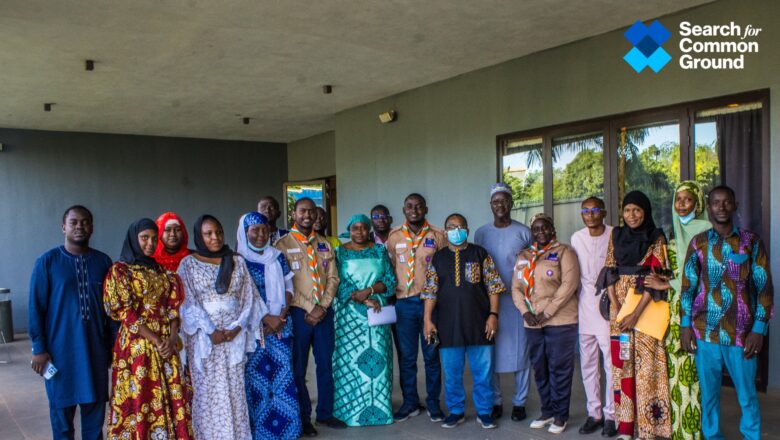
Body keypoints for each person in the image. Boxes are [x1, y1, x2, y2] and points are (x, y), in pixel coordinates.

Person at [678, 185, 773, 440]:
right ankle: (712, 436)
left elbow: (765, 287)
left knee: (747, 396)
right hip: (705, 333)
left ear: (735, 205)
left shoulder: (751, 242)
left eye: (726, 202)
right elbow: (688, 286)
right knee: (708, 395)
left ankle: (751, 436)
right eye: (716, 203)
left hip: (742, 335)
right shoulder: (698, 243)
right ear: (709, 208)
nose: (721, 207)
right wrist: (685, 325)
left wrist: (759, 330)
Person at [28, 205, 114, 440]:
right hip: (59, 353)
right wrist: (39, 348)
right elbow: (36, 307)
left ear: (92, 228)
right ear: (63, 227)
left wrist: (114, 348)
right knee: (62, 421)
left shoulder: (103, 262)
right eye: (74, 222)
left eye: (85, 222)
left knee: (94, 423)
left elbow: (112, 312)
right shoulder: (47, 262)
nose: (79, 226)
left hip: (95, 353)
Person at [103, 218, 193, 439]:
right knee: (140, 399)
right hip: (137, 348)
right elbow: (125, 313)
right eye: (144, 238)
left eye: (154, 238)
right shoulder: (120, 271)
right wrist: (156, 339)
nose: (150, 244)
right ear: (134, 239)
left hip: (166, 347)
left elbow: (173, 308)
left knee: (170, 399)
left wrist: (171, 340)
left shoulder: (164, 272)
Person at [179, 215, 265, 440]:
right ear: (199, 235)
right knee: (209, 392)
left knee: (235, 391)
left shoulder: (236, 261)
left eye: (218, 232)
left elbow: (250, 299)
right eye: (208, 234)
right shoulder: (188, 264)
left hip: (233, 337)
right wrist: (211, 331)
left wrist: (237, 327)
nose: (215, 237)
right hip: (205, 340)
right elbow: (187, 301)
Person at [597, 191, 672, 440]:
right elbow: (610, 270)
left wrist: (635, 313)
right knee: (622, 366)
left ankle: (649, 429)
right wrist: (618, 307)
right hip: (620, 310)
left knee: (647, 368)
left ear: (646, 211)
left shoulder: (656, 236)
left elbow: (656, 278)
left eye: (637, 210)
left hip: (646, 308)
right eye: (627, 210)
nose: (632, 215)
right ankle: (626, 427)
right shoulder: (616, 235)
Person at [423, 213, 504, 430]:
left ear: (467, 230)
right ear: (445, 230)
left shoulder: (480, 253)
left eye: (460, 226)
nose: (456, 230)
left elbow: (494, 287)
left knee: (483, 373)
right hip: (448, 326)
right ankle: (456, 411)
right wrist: (427, 320)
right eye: (451, 226)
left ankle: (485, 412)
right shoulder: (438, 258)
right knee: (452, 373)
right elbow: (430, 292)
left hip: (480, 324)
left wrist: (493, 315)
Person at [643, 181, 710, 440]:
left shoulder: (706, 231)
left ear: (698, 203)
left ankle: (693, 432)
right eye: (678, 200)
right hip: (673, 310)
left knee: (694, 374)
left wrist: (667, 282)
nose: (681, 205)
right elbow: (675, 273)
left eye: (688, 200)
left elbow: (705, 276)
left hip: (698, 311)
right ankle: (678, 430)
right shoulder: (671, 234)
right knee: (674, 373)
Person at [275, 198, 345, 435]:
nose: (307, 215)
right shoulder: (281, 245)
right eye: (302, 211)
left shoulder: (325, 244)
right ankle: (304, 417)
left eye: (311, 211)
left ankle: (325, 413)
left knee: (326, 364)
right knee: (298, 368)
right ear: (294, 214)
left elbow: (333, 278)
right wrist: (309, 307)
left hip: (324, 314)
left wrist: (322, 307)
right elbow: (286, 284)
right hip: (298, 314)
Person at [236, 212, 302, 440]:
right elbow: (244, 297)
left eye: (264, 230)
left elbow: (289, 288)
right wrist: (267, 319)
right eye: (255, 230)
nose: (260, 235)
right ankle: (263, 432)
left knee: (283, 377)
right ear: (245, 233)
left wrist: (281, 316)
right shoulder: (239, 261)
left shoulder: (277, 256)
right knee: (258, 380)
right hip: (256, 330)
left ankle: (288, 430)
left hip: (282, 326)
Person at [512, 213, 580, 435]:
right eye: (536, 229)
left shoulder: (564, 252)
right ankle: (547, 410)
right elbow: (516, 288)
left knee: (559, 368)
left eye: (545, 228)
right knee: (540, 367)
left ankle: (561, 415)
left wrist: (547, 312)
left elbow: (569, 285)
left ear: (553, 230)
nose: (540, 232)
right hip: (532, 322)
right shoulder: (524, 256)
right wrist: (525, 312)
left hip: (560, 320)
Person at [474, 183, 532, 422]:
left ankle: (520, 402)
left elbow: (532, 266)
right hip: (489, 303)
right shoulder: (481, 233)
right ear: (490, 205)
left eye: (504, 200)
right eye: (496, 201)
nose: (500, 205)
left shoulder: (524, 232)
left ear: (511, 203)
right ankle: (496, 401)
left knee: (521, 353)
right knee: (491, 352)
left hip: (518, 302)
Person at [386, 193, 446, 422]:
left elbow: (444, 269)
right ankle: (410, 402)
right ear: (403, 209)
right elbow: (390, 270)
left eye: (419, 206)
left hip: (430, 303)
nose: (414, 210)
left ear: (426, 209)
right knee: (407, 357)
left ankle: (433, 403)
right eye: (410, 206)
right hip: (403, 305)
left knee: (431, 356)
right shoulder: (393, 236)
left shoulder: (438, 235)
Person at [332, 214, 397, 426]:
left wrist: (369, 292)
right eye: (354, 228)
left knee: (378, 357)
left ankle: (379, 409)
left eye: (363, 228)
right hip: (349, 316)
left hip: (377, 311)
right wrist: (359, 297)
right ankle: (350, 410)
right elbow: (337, 282)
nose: (359, 232)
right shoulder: (339, 252)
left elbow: (389, 279)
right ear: (348, 230)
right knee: (350, 361)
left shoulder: (379, 250)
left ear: (368, 230)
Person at [569, 197, 617, 437]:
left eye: (594, 210)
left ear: (604, 212)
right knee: (588, 364)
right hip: (584, 306)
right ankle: (594, 413)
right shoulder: (576, 238)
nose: (589, 214)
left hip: (608, 307)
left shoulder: (614, 234)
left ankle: (611, 416)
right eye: (585, 211)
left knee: (610, 363)